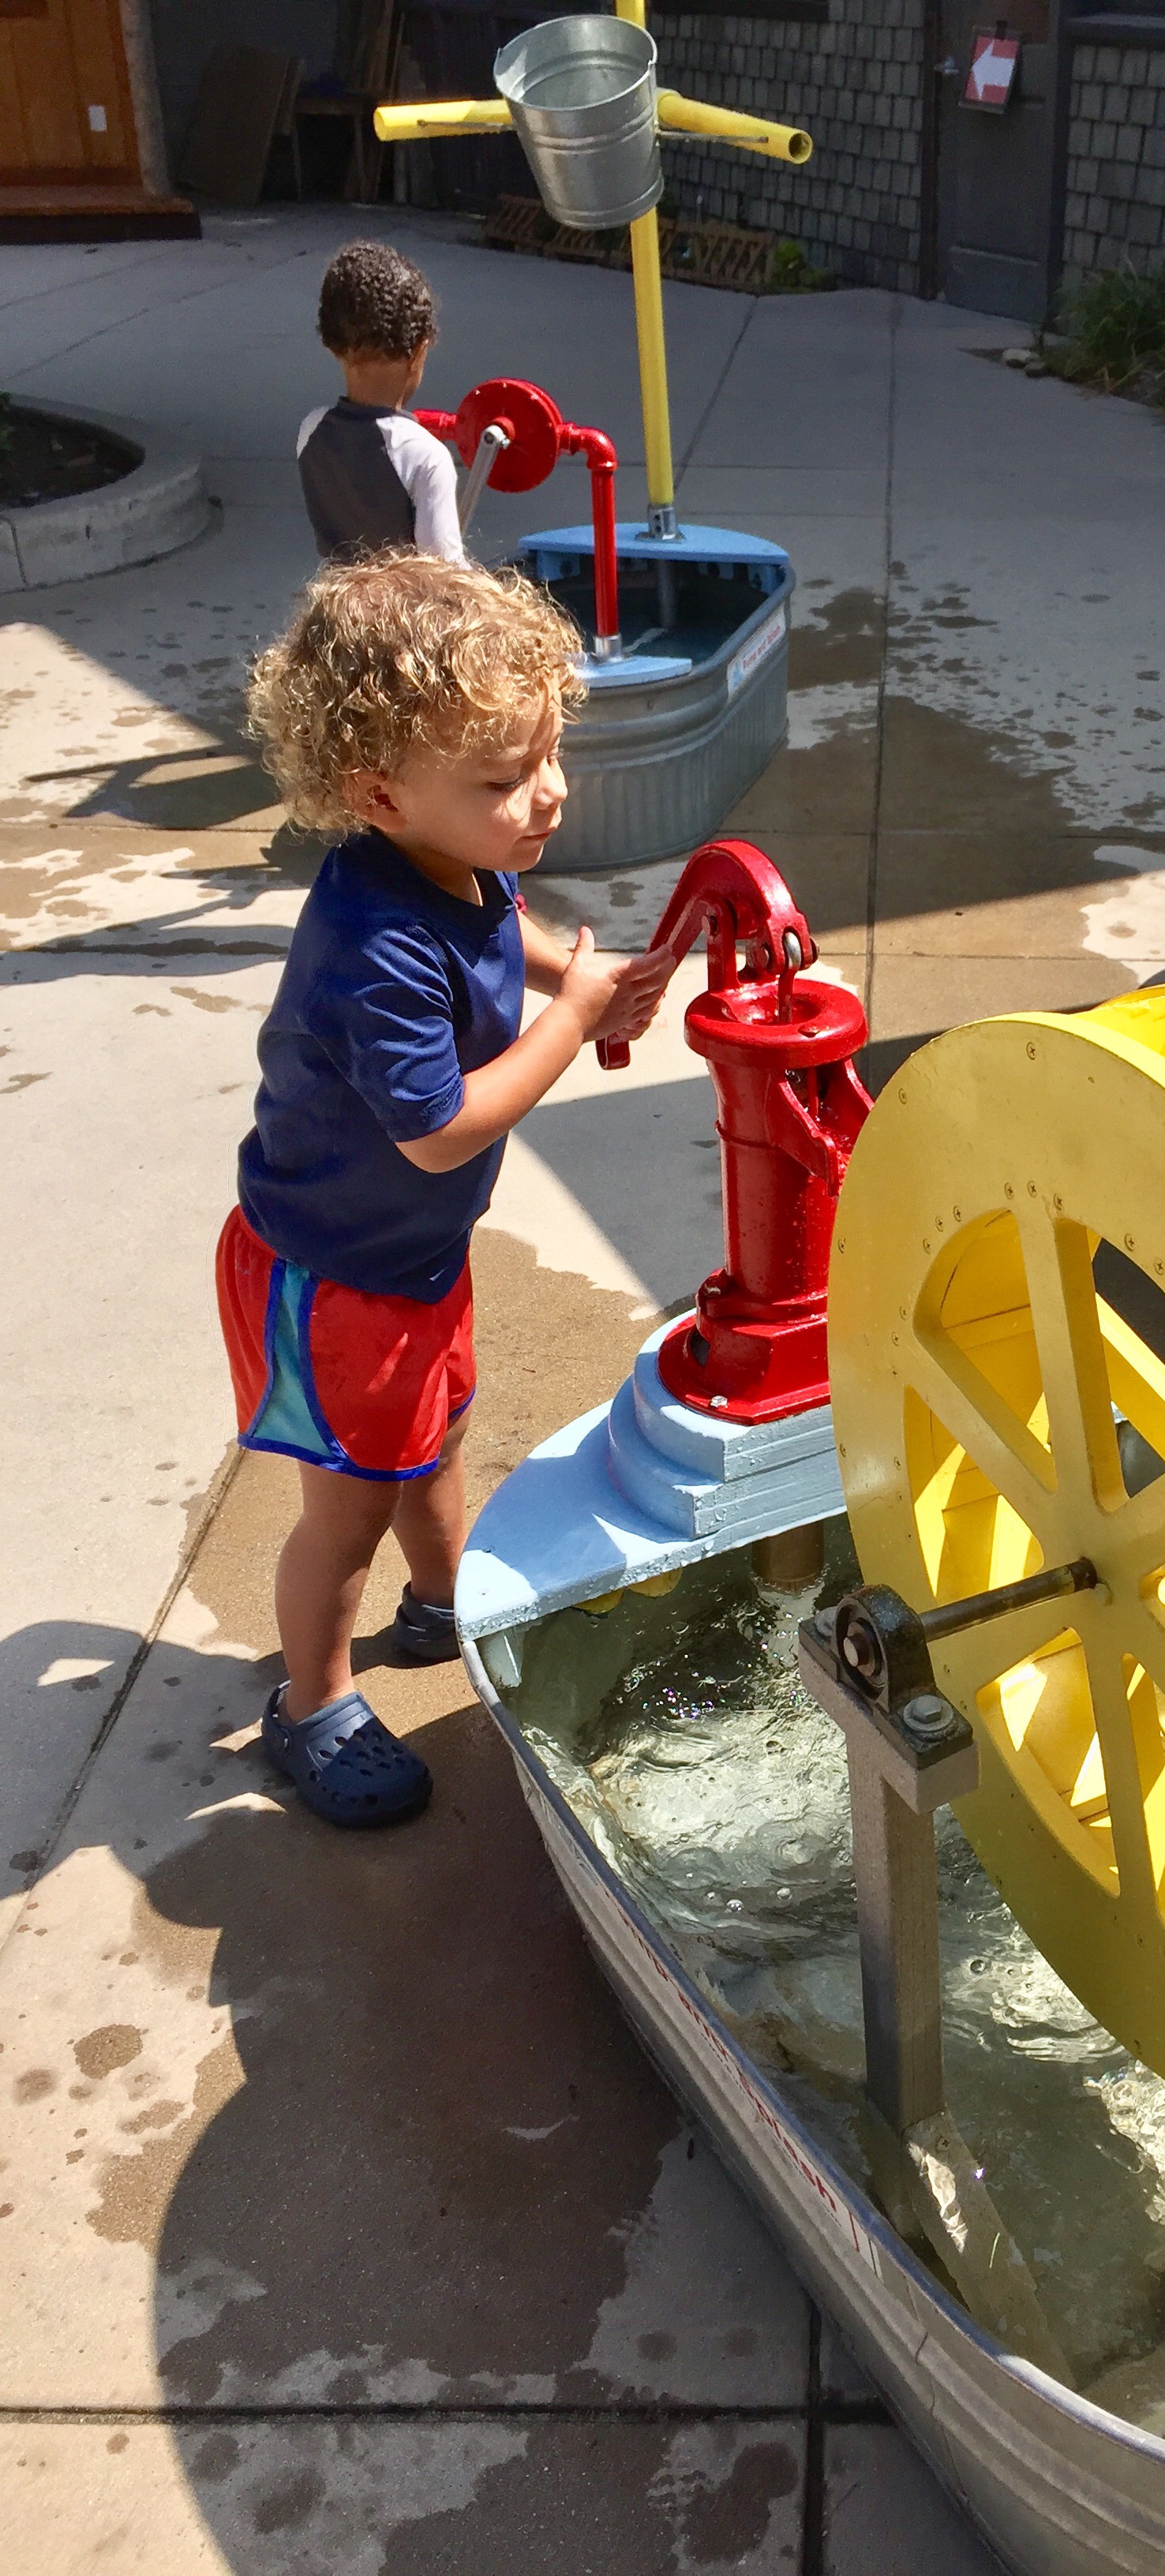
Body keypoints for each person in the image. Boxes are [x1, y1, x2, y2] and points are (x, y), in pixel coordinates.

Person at [219, 550, 673, 1825]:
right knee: (344, 1513)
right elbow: (438, 1128)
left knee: (438, 1436)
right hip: (334, 1276)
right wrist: (573, 1021)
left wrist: (573, 970)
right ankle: (312, 1704)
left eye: (549, 753)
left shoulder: (452, 853)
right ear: (380, 794)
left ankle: (441, 1600)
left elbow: (499, 923)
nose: (548, 793)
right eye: (505, 778)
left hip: (410, 1258)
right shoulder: (372, 946)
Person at [298, 238, 463, 563]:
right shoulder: (425, 458)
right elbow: (444, 571)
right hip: (403, 599)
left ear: (332, 346)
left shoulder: (310, 432)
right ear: (419, 351)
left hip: (336, 594)